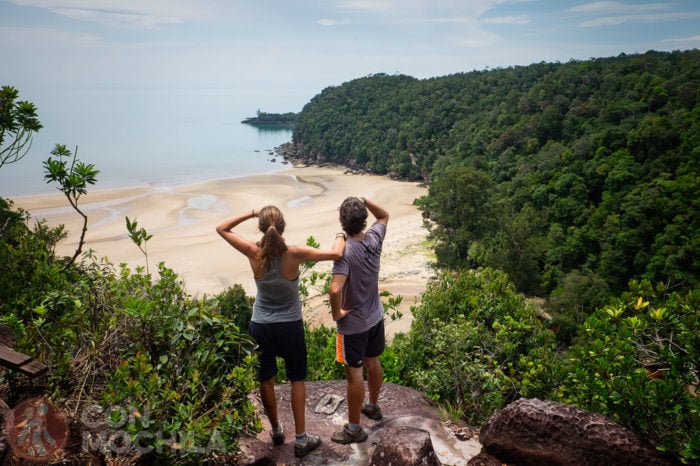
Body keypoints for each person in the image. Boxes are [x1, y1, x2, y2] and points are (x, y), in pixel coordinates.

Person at [216, 205, 346, 457]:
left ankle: (276, 430)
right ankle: (300, 439)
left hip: (261, 326)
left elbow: (221, 228)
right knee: (297, 378)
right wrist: (340, 235)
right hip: (290, 326)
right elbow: (336, 255)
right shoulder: (295, 253)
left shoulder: (254, 252)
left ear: (261, 228)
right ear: (283, 227)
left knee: (266, 378)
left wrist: (251, 212)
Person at [328, 196, 389, 444]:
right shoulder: (374, 239)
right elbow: (383, 215)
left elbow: (334, 289)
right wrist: (365, 200)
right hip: (375, 316)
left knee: (354, 374)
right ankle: (372, 406)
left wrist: (337, 314)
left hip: (354, 325)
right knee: (372, 362)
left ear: (343, 222)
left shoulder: (344, 252)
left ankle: (354, 429)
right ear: (364, 220)